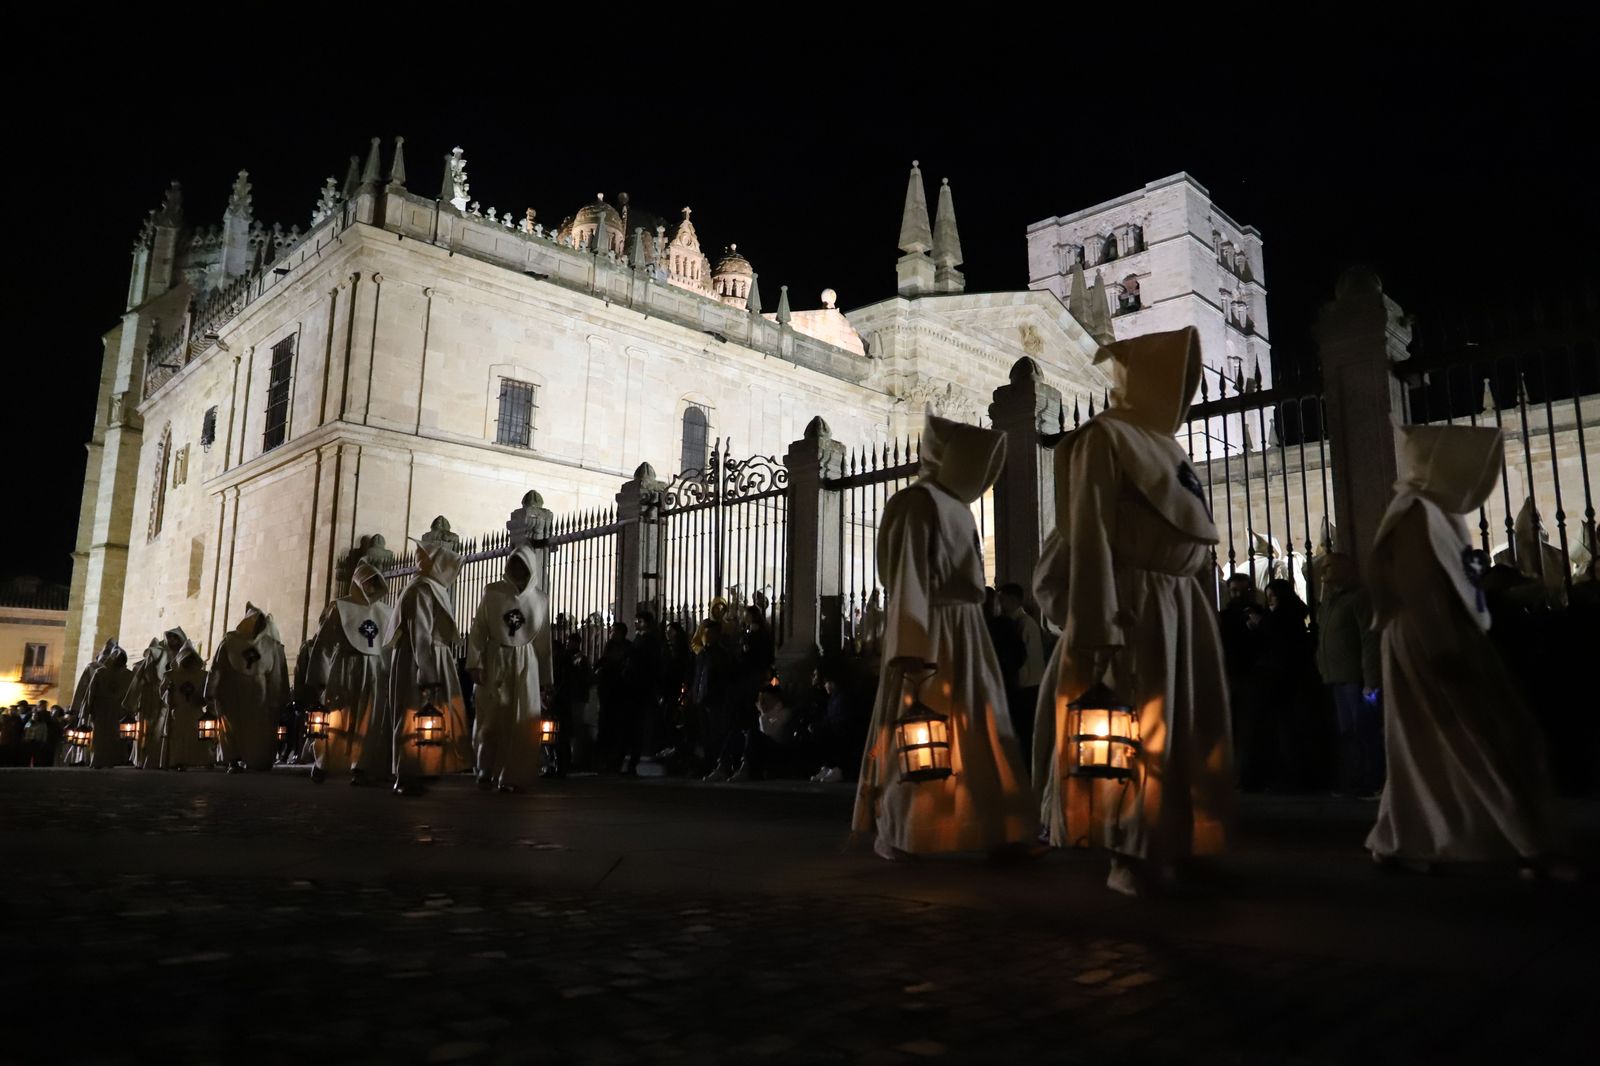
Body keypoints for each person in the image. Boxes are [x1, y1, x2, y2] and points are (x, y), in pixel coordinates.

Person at [1034, 326, 1233, 896]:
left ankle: (1175, 836)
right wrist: (1098, 623)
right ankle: (1128, 847)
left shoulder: (1167, 446)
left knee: (1181, 728)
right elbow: (1088, 531)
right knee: (1134, 729)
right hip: (1132, 603)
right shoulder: (1105, 436)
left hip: (1178, 603)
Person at [1366, 424, 1569, 877]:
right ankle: (1530, 845)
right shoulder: (1417, 510)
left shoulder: (1430, 508)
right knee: (1484, 737)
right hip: (1431, 637)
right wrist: (1443, 647)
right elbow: (1421, 587)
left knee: (1427, 746)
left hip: (1437, 635)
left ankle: (1400, 839)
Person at [852, 412, 1038, 861]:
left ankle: (993, 827)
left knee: (981, 729)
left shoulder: (955, 505)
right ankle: (907, 830)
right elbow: (908, 575)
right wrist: (912, 647)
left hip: (967, 632)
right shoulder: (917, 502)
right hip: (933, 632)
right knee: (923, 733)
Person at [384, 542, 470, 795]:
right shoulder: (422, 589)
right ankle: (406, 772)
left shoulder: (428, 587)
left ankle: (425, 767)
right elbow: (420, 634)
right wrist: (428, 671)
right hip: (421, 658)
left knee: (429, 717)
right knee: (413, 714)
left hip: (431, 655)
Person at [467, 544, 552, 793]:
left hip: (526, 664)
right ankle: (485, 767)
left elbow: (543, 643)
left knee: (520, 720)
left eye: (521, 564)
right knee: (490, 716)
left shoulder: (540, 599)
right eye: (513, 563)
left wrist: (547, 680)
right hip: (496, 659)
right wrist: (475, 662)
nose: (517, 569)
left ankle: (512, 773)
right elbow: (478, 630)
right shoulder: (492, 593)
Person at [305, 562, 394, 785]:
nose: (370, 586)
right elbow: (324, 644)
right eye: (367, 581)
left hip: (373, 669)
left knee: (369, 719)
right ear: (357, 582)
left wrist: (389, 673)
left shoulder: (385, 612)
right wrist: (319, 677)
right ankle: (324, 761)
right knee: (336, 717)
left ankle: (361, 765)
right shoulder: (340, 608)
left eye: (375, 581)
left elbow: (388, 647)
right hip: (344, 667)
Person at [1316, 553, 1383, 798]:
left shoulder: (1358, 599)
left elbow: (1369, 640)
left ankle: (1371, 781)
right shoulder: (1332, 601)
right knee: (1348, 733)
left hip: (1354, 678)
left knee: (1362, 731)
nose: (1323, 572)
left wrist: (1371, 680)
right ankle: (1355, 781)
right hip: (1337, 677)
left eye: (1329, 566)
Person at [207, 604, 289, 773]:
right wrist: (211, 690)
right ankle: (233, 760)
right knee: (232, 728)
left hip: (261, 697)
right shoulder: (229, 643)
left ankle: (257, 760)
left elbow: (276, 673)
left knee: (259, 730)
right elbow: (217, 668)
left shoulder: (270, 645)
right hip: (232, 694)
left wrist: (278, 697)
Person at [124, 628, 187, 770]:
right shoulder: (157, 654)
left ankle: (167, 759)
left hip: (172, 697)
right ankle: (149, 759)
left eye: (175, 638)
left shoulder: (182, 655)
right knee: (150, 728)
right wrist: (133, 701)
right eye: (170, 638)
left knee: (169, 728)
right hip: (152, 697)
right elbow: (140, 678)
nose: (173, 641)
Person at [998, 582, 1046, 764]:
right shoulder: (1021, 623)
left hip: (1027, 685)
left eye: (1002, 599)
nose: (1000, 604)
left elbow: (1024, 659)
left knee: (1025, 731)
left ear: (1013, 600)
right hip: (1028, 684)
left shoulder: (1023, 624)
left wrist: (1015, 683)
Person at [159, 644, 212, 770]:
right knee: (178, 737)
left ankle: (200, 760)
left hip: (195, 711)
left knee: (196, 736)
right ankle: (178, 761)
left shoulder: (203, 675)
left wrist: (202, 700)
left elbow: (208, 693)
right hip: (178, 711)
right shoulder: (170, 675)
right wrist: (169, 693)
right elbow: (162, 694)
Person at [546, 632, 592, 777]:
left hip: (566, 702)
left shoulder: (571, 662)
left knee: (561, 735)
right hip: (566, 702)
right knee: (562, 734)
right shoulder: (568, 661)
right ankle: (562, 763)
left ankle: (561, 764)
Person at [87, 644, 134, 769]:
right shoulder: (100, 672)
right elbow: (91, 693)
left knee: (114, 736)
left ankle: (112, 760)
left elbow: (132, 693)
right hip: (101, 709)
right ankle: (98, 759)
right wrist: (89, 708)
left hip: (117, 711)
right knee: (100, 735)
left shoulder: (128, 675)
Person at [595, 622, 631, 772]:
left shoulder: (626, 648)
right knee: (606, 728)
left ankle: (614, 761)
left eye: (614, 631)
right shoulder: (609, 646)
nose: (611, 633)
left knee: (616, 728)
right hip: (607, 693)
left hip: (618, 693)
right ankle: (604, 760)